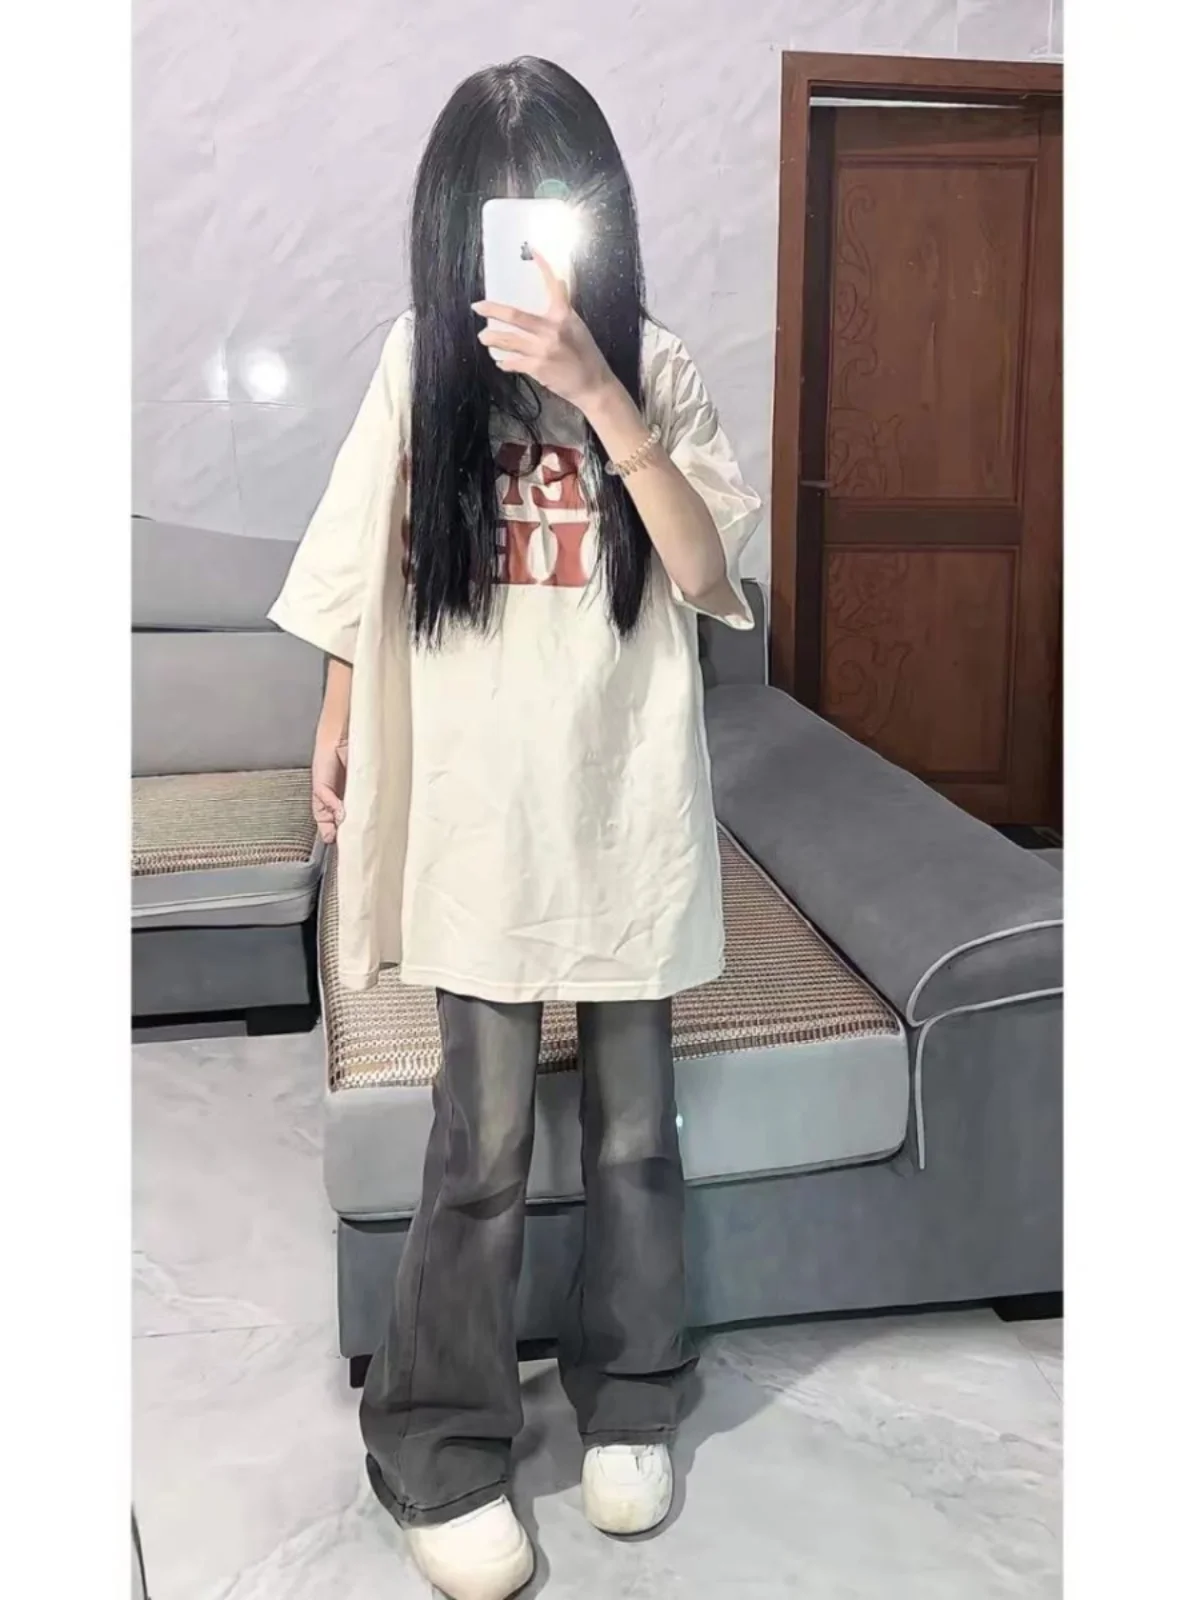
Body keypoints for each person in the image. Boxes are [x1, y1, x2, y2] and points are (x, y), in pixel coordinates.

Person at [270, 55, 760, 1600]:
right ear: (453, 229)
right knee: (477, 1142)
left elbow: (707, 576)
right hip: (482, 822)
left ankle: (634, 1395)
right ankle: (440, 1442)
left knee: (634, 1136)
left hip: (622, 810)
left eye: (551, 209)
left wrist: (601, 393)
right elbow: (362, 561)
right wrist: (338, 714)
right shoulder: (419, 362)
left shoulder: (656, 366)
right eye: (497, 216)